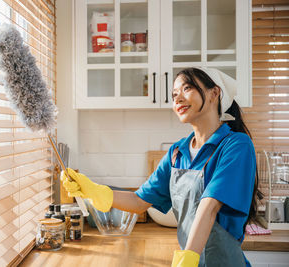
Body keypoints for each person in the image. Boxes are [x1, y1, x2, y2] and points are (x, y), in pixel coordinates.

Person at [61, 67, 260, 267]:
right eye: (174, 95)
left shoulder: (235, 145)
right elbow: (139, 201)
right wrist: (93, 190)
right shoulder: (177, 153)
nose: (177, 99)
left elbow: (209, 207)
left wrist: (187, 259)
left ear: (214, 93)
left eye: (187, 88)